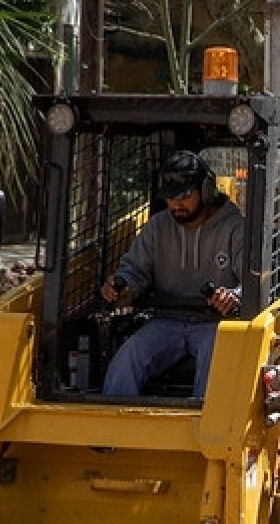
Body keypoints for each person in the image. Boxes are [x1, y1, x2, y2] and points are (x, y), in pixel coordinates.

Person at [100, 150, 245, 397]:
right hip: (166, 320)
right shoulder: (158, 226)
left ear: (207, 190)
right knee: (128, 357)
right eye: (170, 198)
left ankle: (206, 428)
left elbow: (251, 282)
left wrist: (234, 296)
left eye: (185, 196)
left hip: (215, 324)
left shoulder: (234, 227)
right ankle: (114, 429)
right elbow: (134, 270)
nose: (176, 204)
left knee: (215, 363)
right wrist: (122, 286)